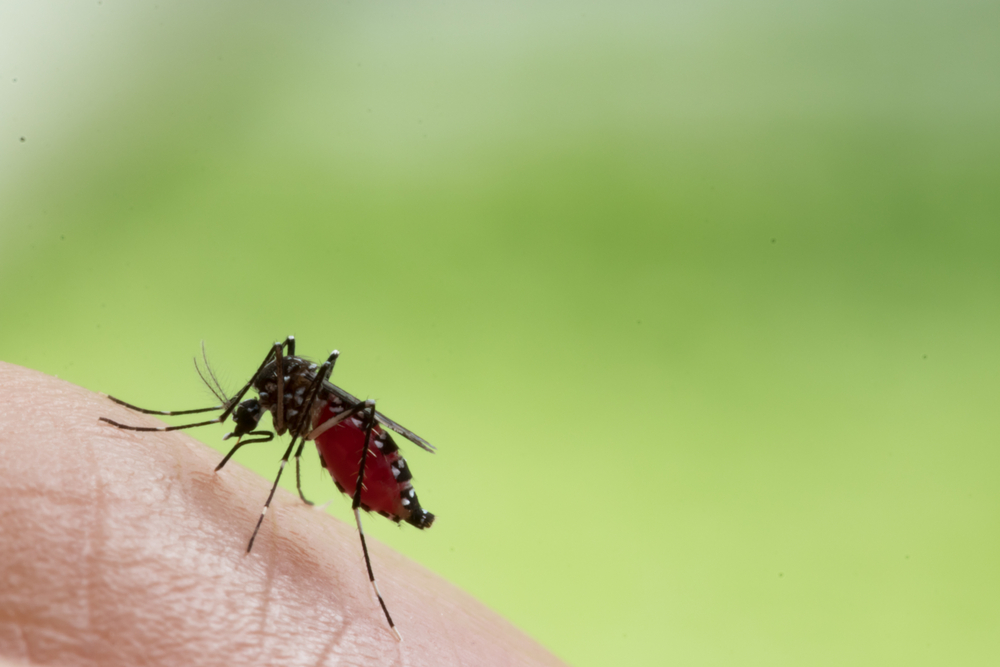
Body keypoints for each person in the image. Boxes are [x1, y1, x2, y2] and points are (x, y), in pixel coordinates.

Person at [0, 362, 564, 667]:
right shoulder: (276, 395)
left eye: (241, 417)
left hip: (355, 439)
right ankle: (172, 422)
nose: (242, 425)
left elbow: (331, 416)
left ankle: (371, 575)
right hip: (330, 427)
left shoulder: (293, 395)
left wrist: (273, 498)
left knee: (330, 408)